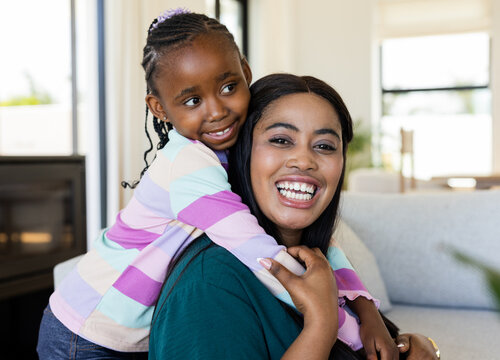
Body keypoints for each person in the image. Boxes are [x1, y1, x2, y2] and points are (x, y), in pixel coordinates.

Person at [38, 9, 406, 359]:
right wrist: (345, 330)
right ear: (159, 108)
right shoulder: (188, 165)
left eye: (229, 87)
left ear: (245, 72)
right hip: (85, 331)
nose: (216, 111)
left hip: (126, 331)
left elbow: (325, 248)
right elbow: (262, 256)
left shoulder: (226, 150)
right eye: (193, 99)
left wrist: (368, 311)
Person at [148, 73, 441, 359]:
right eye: (280, 140)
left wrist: (420, 346)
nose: (304, 160)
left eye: (324, 146)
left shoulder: (319, 264)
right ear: (244, 151)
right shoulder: (209, 284)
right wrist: (321, 325)